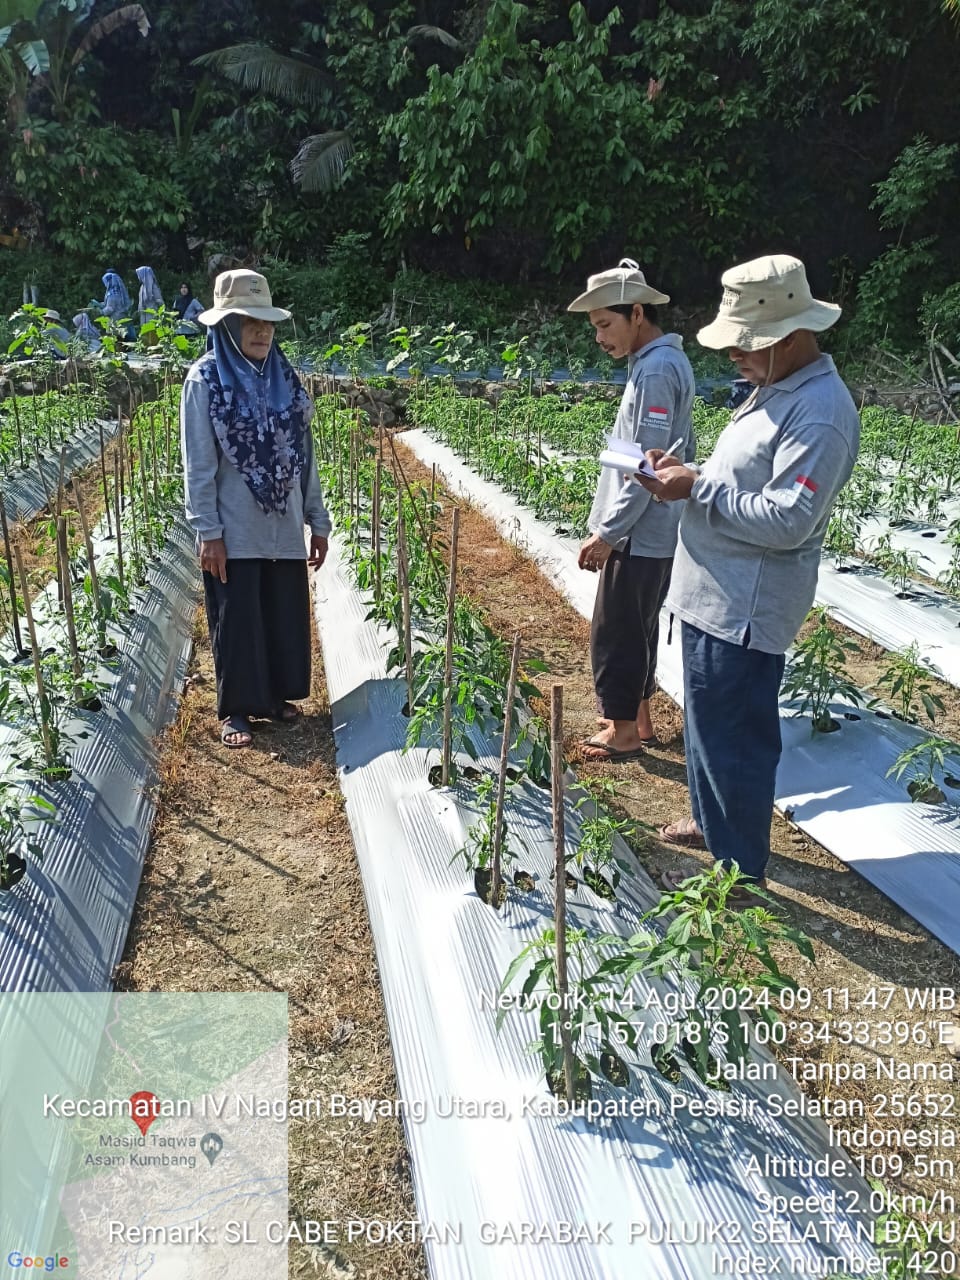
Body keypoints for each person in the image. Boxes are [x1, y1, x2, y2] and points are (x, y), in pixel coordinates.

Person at [636, 254, 860, 903]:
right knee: (708, 725)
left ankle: (739, 874)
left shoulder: (819, 412)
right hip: (713, 596)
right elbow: (745, 480)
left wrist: (695, 487)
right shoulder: (775, 386)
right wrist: (686, 473)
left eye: (743, 343)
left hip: (746, 608)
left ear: (788, 337)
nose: (732, 353)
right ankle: (712, 826)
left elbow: (789, 519)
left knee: (736, 741)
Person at [180, 269, 331, 748]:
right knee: (238, 614)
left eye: (266, 321)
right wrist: (209, 531)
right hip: (235, 528)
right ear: (226, 326)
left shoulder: (286, 379)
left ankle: (275, 698)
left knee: (281, 610)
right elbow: (199, 465)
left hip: (283, 527)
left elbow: (305, 455)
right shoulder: (205, 381)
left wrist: (317, 520)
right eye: (249, 321)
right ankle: (237, 710)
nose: (262, 330)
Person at [567, 258, 695, 762]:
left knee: (617, 627)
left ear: (637, 313)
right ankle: (637, 719)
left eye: (605, 324)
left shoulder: (659, 369)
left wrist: (608, 533)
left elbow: (648, 467)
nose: (599, 337)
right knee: (638, 623)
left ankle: (621, 732)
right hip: (648, 530)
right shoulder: (653, 363)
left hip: (640, 530)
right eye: (595, 327)